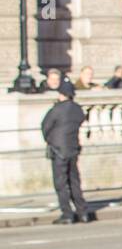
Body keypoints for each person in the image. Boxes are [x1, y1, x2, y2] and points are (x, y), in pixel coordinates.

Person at [42, 80, 93, 225]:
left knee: (61, 183)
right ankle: (82, 212)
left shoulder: (57, 109)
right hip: (73, 148)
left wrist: (51, 140)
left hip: (59, 149)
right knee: (74, 181)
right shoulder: (77, 109)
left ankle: (67, 213)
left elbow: (45, 126)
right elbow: (81, 120)